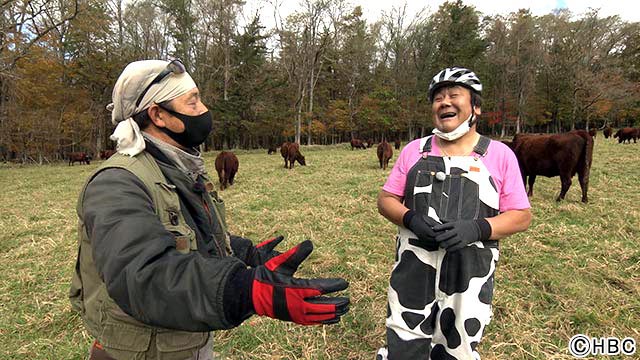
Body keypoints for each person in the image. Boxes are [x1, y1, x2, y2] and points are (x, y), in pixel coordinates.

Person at [69, 59, 349, 360]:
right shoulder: (117, 183)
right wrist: (245, 290)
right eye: (193, 102)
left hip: (185, 340)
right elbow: (144, 274)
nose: (203, 110)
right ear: (159, 115)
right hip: (138, 352)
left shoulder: (178, 169)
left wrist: (244, 254)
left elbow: (188, 237)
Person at [375, 67, 531, 360]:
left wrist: (478, 229)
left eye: (454, 95)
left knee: (457, 346)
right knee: (404, 342)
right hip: (413, 272)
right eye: (438, 98)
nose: (444, 102)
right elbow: (386, 199)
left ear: (476, 108)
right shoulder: (414, 151)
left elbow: (521, 215)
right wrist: (410, 218)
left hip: (469, 276)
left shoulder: (498, 155)